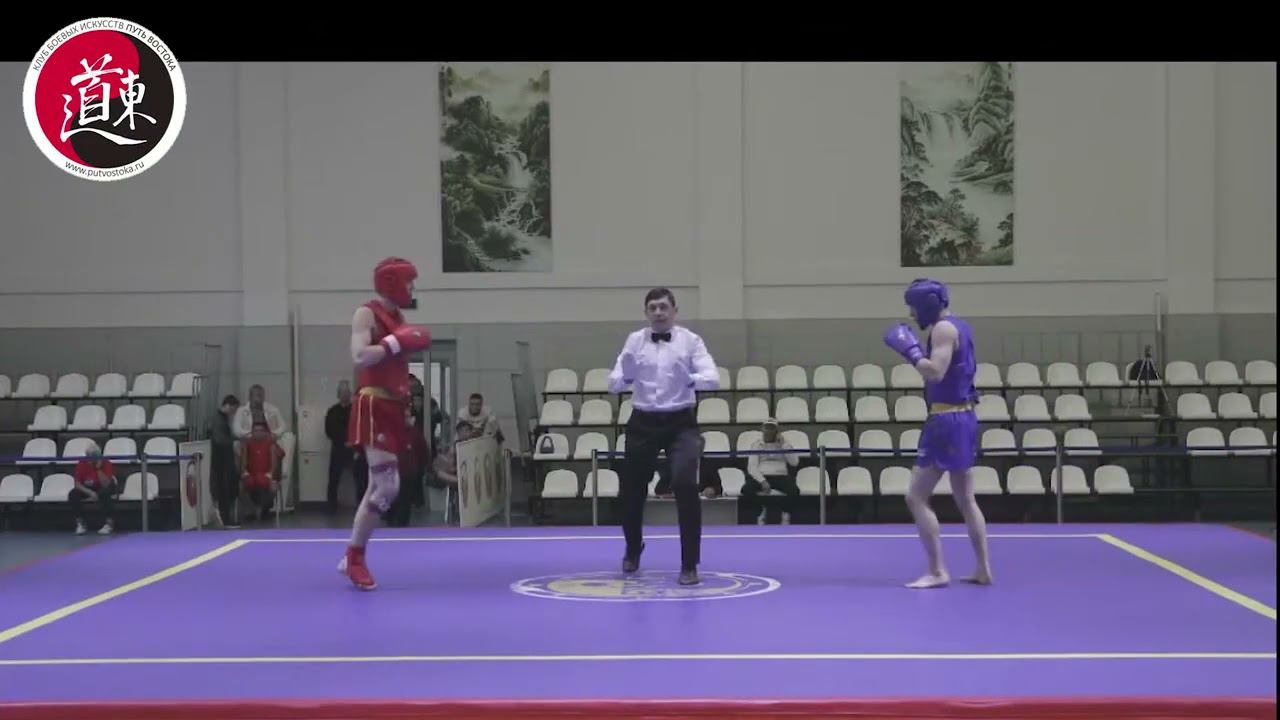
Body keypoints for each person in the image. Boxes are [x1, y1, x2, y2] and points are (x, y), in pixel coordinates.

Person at [883, 278, 992, 589]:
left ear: (927, 304)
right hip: (964, 416)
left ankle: (937, 571)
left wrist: (912, 352)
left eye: (914, 307)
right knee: (966, 499)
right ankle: (983, 569)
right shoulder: (961, 326)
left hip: (945, 421)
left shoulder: (942, 329)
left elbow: (935, 371)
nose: (912, 314)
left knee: (916, 497)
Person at [608, 287, 720, 586]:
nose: (658, 312)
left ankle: (689, 563)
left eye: (663, 307)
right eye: (653, 307)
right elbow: (614, 384)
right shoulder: (634, 340)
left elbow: (713, 379)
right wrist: (626, 375)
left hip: (681, 422)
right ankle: (633, 548)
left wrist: (690, 379)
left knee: (685, 484)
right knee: (631, 490)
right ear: (646, 312)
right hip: (642, 421)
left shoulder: (690, 340)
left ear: (674, 311)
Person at [340, 257, 431, 590]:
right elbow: (359, 356)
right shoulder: (366, 314)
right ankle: (355, 557)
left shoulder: (398, 319)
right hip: (373, 404)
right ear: (393, 283)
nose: (413, 288)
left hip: (393, 406)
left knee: (377, 487)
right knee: (387, 487)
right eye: (409, 282)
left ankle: (353, 551)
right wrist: (395, 342)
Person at [743, 418, 801, 525]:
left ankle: (786, 514)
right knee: (746, 489)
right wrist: (762, 481)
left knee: (794, 490)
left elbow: (794, 462)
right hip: (762, 475)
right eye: (766, 428)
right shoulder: (756, 444)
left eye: (771, 428)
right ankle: (760, 512)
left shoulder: (785, 444)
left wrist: (784, 445)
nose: (768, 431)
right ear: (762, 430)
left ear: (776, 431)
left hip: (780, 476)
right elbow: (752, 467)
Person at [69, 442, 120, 535]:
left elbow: (106, 484)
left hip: (104, 486)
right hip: (88, 488)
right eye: (89, 456)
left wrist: (98, 469)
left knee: (104, 493)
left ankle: (109, 523)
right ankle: (81, 523)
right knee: (73, 494)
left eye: (94, 457)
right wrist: (90, 492)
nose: (91, 459)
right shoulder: (82, 463)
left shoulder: (106, 463)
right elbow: (77, 484)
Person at [239, 421, 284, 523]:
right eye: (255, 430)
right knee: (243, 485)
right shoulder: (247, 443)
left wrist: (270, 475)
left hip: (266, 475)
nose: (258, 433)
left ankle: (262, 509)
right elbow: (243, 463)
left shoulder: (271, 444)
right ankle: (254, 509)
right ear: (252, 432)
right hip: (251, 474)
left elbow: (275, 463)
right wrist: (244, 473)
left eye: (261, 430)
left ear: (265, 432)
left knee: (267, 484)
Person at [325, 381, 357, 514]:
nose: (345, 395)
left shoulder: (356, 410)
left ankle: (362, 505)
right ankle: (331, 506)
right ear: (338, 394)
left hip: (354, 448)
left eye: (347, 392)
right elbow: (329, 431)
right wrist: (343, 441)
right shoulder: (332, 411)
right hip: (338, 448)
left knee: (360, 477)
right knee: (333, 478)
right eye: (343, 392)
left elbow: (359, 428)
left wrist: (352, 442)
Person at [209, 394, 241, 527]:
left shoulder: (221, 418)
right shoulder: (219, 420)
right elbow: (219, 439)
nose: (233, 413)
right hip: (221, 460)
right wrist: (233, 440)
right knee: (224, 490)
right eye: (233, 409)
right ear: (228, 405)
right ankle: (225, 519)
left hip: (223, 459)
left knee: (227, 489)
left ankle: (226, 518)